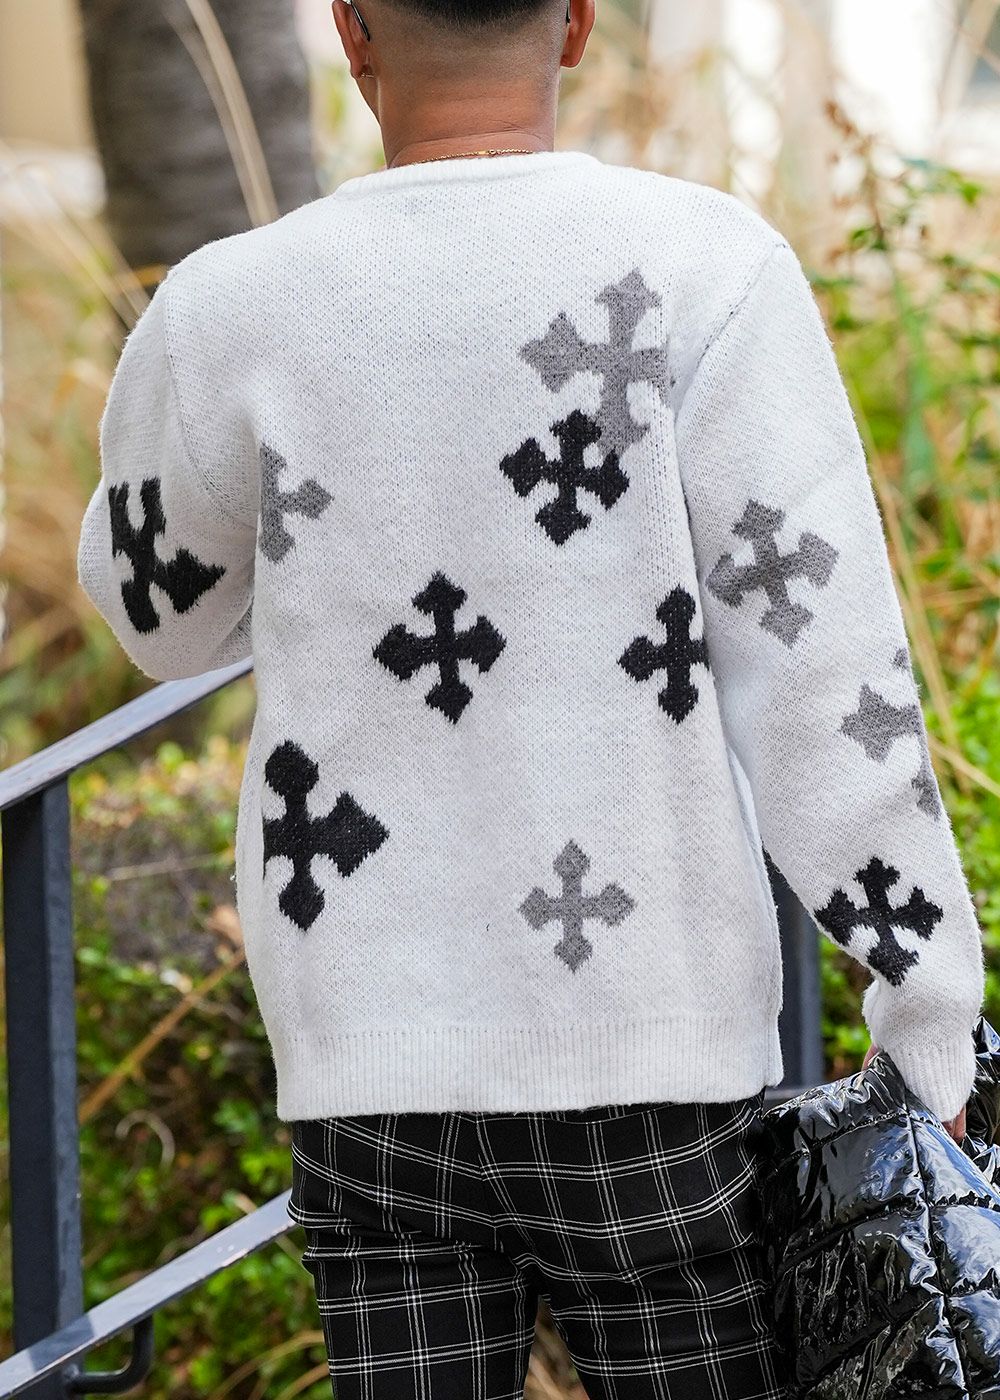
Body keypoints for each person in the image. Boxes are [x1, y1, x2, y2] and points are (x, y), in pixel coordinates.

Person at [76, 0, 986, 1393]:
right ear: (574, 24)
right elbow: (822, 669)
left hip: (370, 1061)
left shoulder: (233, 306)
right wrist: (924, 1004)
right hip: (657, 1056)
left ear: (351, 30)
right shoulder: (705, 269)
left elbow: (155, 617)